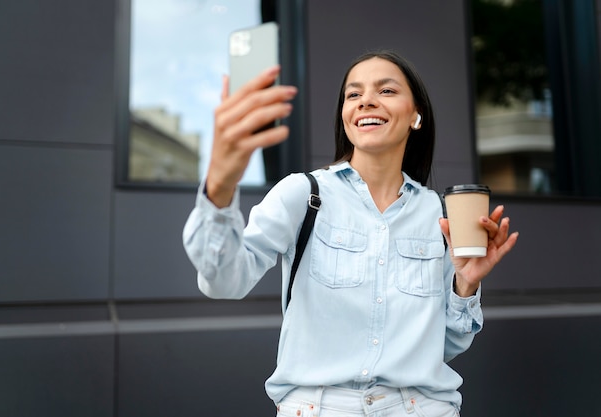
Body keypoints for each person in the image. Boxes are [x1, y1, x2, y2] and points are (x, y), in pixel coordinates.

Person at [183, 50, 518, 416]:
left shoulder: (439, 213)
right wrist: (219, 185)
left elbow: (447, 345)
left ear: (416, 116)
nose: (366, 101)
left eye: (386, 91)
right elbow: (224, 281)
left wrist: (464, 287)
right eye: (353, 94)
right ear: (344, 116)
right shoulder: (304, 194)